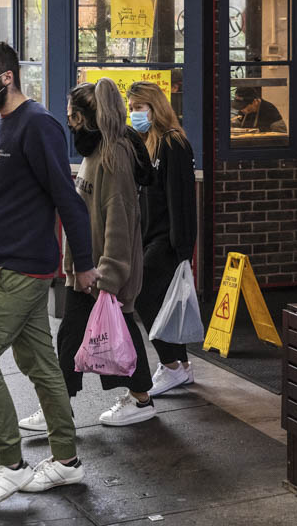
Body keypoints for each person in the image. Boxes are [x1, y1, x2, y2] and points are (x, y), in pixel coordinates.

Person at [0, 41, 97, 509]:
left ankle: (10, 466)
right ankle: (66, 462)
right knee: (41, 366)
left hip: (23, 268)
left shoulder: (40, 124)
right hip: (4, 261)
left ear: (5, 77)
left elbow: (68, 200)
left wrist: (84, 264)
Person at [21, 78, 155, 431]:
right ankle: (142, 398)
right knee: (110, 333)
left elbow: (119, 220)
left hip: (99, 273)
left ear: (87, 118)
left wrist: (108, 276)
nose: (68, 122)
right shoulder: (94, 152)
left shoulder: (113, 158)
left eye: (72, 116)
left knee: (72, 338)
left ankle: (58, 409)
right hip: (89, 269)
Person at [126, 81, 198, 396]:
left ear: (155, 108)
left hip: (167, 240)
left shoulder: (173, 144)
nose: (134, 114)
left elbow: (181, 199)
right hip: (150, 236)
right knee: (162, 302)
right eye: (130, 109)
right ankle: (179, 366)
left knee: (142, 296)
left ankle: (170, 365)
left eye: (138, 108)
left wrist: (182, 249)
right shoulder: (148, 144)